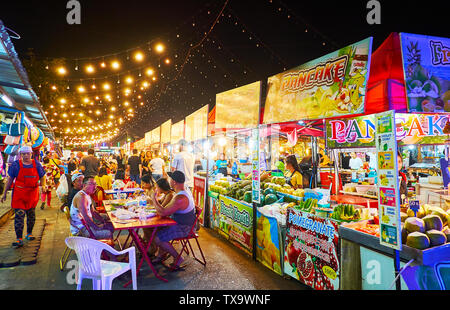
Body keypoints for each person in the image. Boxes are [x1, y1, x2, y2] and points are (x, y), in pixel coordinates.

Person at [1, 146, 46, 248]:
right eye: (23, 154)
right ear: (20, 155)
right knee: (19, 216)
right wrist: (4, 193)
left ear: (31, 154)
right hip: (19, 194)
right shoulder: (16, 165)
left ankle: (29, 233)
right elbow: (10, 180)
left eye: (27, 153)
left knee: (31, 215)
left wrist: (43, 186)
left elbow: (43, 176)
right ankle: (19, 238)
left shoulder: (37, 164)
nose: (25, 156)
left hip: (32, 194)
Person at [151, 171, 196, 270]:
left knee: (157, 238)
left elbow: (163, 212)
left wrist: (154, 199)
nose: (169, 181)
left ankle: (178, 258)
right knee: (157, 229)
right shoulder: (183, 191)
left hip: (185, 227)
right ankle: (160, 254)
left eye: (170, 179)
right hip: (181, 223)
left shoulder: (180, 197)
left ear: (174, 182)